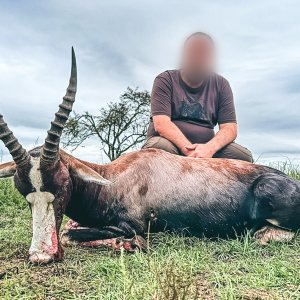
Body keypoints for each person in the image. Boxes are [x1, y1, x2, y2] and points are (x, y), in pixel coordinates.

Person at [143, 32, 253, 162]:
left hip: (206, 148)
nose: (198, 58)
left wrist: (209, 148)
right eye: (193, 52)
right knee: (158, 147)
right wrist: (190, 151)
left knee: (242, 156)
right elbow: (162, 124)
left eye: (204, 54)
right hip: (170, 144)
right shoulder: (165, 80)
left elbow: (230, 129)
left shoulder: (221, 84)